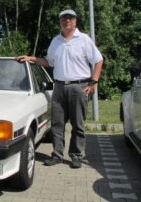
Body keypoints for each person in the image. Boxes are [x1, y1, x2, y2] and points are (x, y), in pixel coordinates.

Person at [17, 9, 103, 169]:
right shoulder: (56, 41)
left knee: (78, 124)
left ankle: (76, 155)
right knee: (57, 123)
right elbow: (49, 62)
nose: (67, 21)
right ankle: (57, 155)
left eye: (70, 18)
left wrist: (94, 81)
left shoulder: (84, 39)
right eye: (64, 19)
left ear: (75, 21)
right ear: (60, 22)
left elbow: (98, 60)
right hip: (59, 87)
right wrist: (32, 59)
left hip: (79, 86)